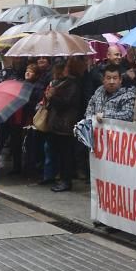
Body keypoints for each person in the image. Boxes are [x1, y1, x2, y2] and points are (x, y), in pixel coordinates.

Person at [41, 58, 83, 192]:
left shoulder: (72, 84)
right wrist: (48, 97)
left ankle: (66, 180)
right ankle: (58, 177)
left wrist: (53, 96)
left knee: (66, 154)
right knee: (57, 152)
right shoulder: (56, 83)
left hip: (65, 125)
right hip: (56, 124)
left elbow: (65, 104)